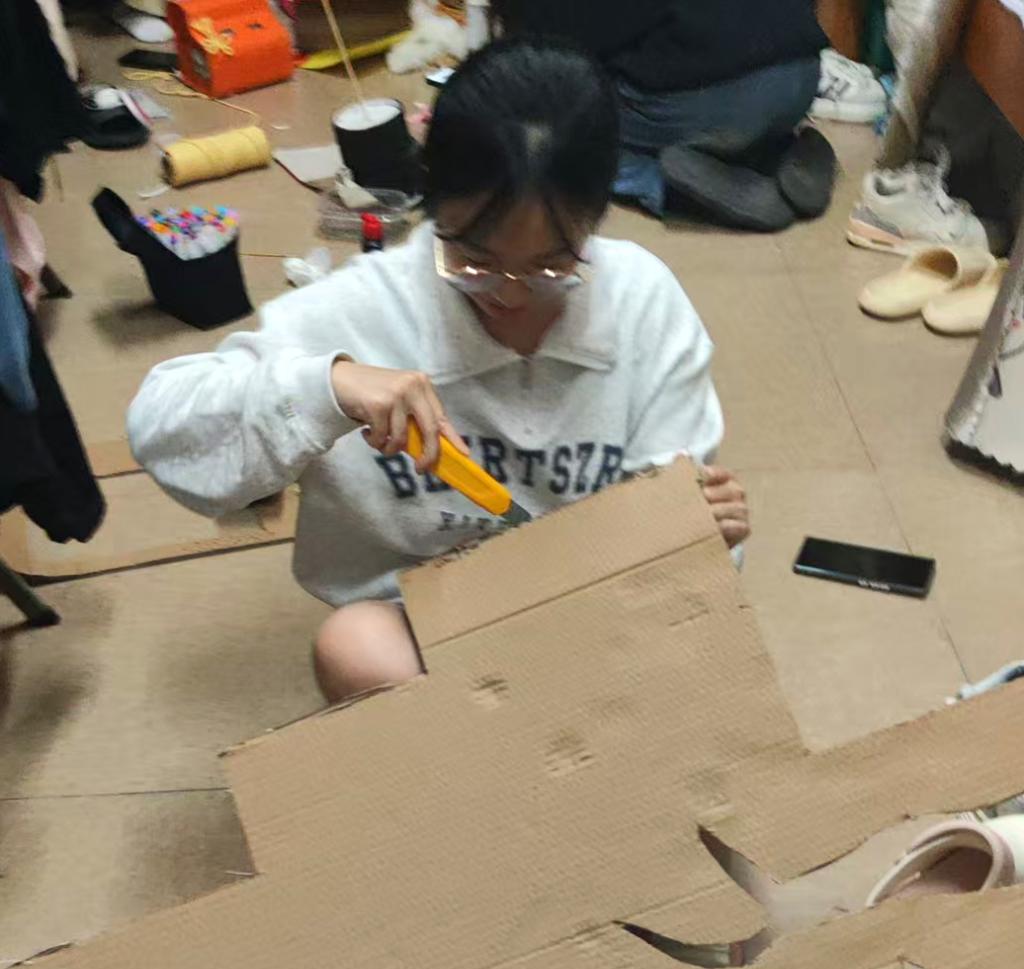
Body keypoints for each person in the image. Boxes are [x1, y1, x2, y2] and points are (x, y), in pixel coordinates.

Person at [127, 38, 749, 703]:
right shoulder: (368, 307)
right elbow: (162, 430)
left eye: (550, 267)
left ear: (596, 219)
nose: (510, 294)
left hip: (593, 593)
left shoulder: (641, 302)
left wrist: (691, 531)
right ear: (433, 205)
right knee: (355, 646)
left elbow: (681, 554)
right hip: (428, 617)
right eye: (475, 262)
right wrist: (326, 388)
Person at [496, 1, 836, 232]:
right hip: (804, 73)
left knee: (544, 127)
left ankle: (667, 188)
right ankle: (771, 154)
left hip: (723, 98)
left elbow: (552, 50)